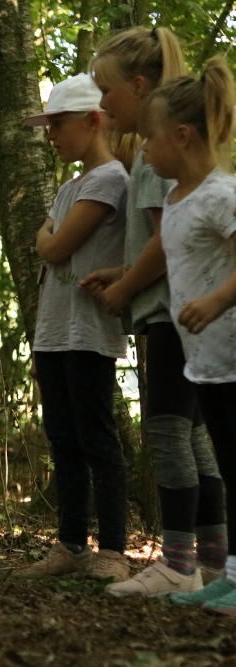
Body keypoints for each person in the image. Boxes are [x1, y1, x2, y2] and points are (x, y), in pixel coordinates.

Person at [81, 27, 228, 598]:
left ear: (138, 86)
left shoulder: (153, 152)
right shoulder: (157, 148)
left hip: (170, 315)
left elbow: (164, 241)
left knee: (169, 435)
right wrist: (121, 274)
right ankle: (213, 564)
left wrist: (125, 289)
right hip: (179, 311)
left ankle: (180, 561)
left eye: (107, 91)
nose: (102, 103)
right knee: (194, 440)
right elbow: (167, 240)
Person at [16, 73, 131, 583]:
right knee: (61, 437)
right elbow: (48, 243)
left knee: (97, 438)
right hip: (54, 330)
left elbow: (53, 247)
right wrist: (48, 235)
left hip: (88, 331)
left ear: (92, 121)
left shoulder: (111, 179)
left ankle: (112, 550)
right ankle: (70, 546)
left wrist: (47, 234)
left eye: (58, 124)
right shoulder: (69, 187)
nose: (51, 135)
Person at [137, 57, 236, 612]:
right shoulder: (176, 201)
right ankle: (228, 576)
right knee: (226, 462)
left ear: (181, 135)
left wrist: (218, 299)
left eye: (151, 139)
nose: (145, 150)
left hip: (232, 349)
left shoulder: (222, 194)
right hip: (206, 360)